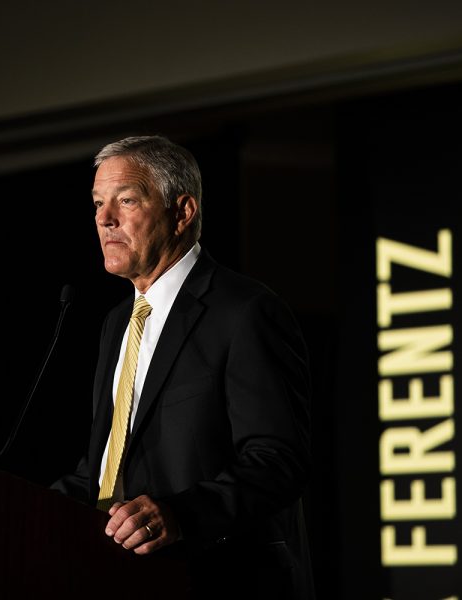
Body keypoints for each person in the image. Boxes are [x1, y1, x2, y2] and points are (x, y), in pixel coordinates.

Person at [51, 135, 314, 599]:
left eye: (126, 200)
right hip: (123, 580)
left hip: (222, 580)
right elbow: (106, 467)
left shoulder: (244, 311)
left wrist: (181, 515)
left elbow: (278, 460)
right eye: (97, 204)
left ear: (183, 211)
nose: (103, 219)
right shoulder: (117, 324)